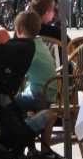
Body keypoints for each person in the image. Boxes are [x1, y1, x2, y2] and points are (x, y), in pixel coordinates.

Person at [14, 9, 58, 141]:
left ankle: (22, 138)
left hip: (40, 95)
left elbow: (17, 71)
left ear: (19, 30)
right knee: (18, 98)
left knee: (10, 103)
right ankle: (34, 147)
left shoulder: (27, 47)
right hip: (50, 91)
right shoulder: (39, 42)